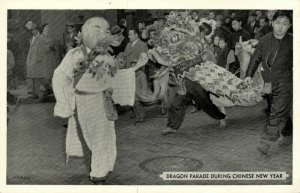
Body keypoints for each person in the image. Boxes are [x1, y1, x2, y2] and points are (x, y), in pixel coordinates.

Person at [52, 17, 148, 184]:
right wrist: (64, 102)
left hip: (103, 101)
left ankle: (99, 171)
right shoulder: (74, 54)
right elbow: (59, 77)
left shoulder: (106, 56)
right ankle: (100, 169)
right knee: (93, 137)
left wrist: (136, 66)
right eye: (100, 31)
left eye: (105, 32)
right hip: (84, 101)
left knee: (105, 136)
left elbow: (116, 76)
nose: (104, 35)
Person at [244, 11, 293, 154]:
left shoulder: (293, 41)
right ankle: (288, 132)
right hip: (268, 83)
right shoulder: (264, 40)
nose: (280, 27)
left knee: (276, 111)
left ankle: (266, 141)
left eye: (284, 24)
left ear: (289, 26)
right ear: (272, 23)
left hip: (285, 81)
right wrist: (248, 75)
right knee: (277, 109)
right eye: (278, 22)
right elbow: (256, 58)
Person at [123, 29, 151, 123]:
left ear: (136, 35)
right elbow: (124, 56)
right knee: (131, 94)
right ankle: (138, 114)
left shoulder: (143, 45)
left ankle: (141, 115)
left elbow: (144, 59)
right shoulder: (128, 45)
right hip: (128, 73)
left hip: (138, 73)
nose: (129, 36)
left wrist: (135, 63)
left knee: (136, 95)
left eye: (130, 34)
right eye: (128, 34)